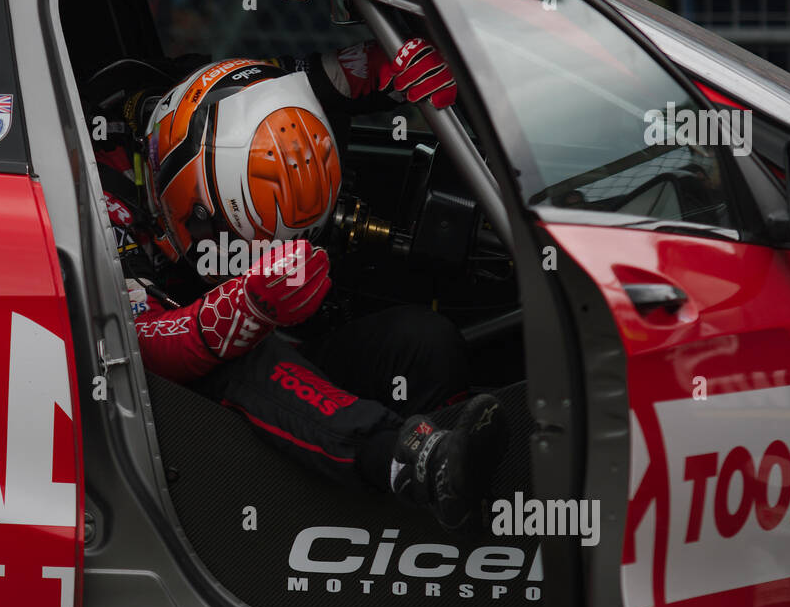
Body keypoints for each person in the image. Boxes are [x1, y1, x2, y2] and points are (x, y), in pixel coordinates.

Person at [88, 36, 508, 531]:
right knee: (249, 353)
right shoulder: (96, 186)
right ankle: (403, 458)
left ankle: (450, 477)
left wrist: (447, 61)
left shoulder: (253, 92)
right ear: (179, 191)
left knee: (424, 343)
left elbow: (353, 71)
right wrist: (241, 308)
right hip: (191, 388)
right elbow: (137, 343)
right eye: (225, 233)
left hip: (290, 334)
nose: (236, 257)